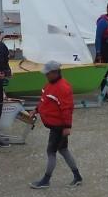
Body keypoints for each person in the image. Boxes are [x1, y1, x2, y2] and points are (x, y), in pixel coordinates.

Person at [31, 61, 82, 189]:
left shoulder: (63, 88)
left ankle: (46, 180)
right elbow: (45, 101)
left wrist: (67, 127)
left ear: (54, 73)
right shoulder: (50, 85)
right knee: (63, 150)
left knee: (51, 152)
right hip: (56, 126)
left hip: (59, 127)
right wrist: (36, 110)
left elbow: (67, 109)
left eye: (47, 73)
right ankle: (77, 177)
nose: (46, 76)